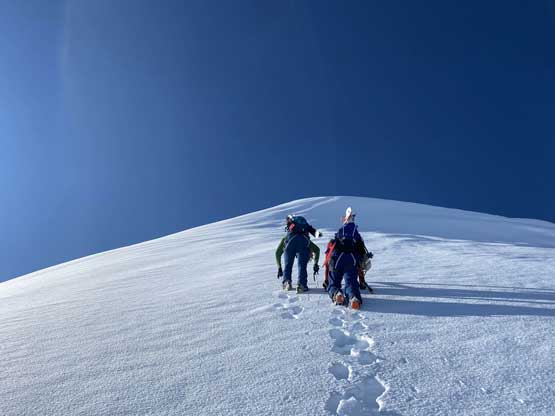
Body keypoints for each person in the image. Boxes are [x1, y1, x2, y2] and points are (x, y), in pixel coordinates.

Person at [326, 207, 370, 309]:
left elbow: (331, 248)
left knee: (333, 282)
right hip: (351, 259)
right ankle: (353, 298)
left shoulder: (340, 232)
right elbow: (361, 250)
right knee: (351, 282)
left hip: (337, 258)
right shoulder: (356, 234)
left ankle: (336, 294)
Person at [276, 215, 321, 293]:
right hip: (303, 243)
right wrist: (316, 264)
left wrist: (279, 267)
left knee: (288, 265)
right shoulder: (306, 240)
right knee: (302, 266)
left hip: (289, 243)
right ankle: (301, 285)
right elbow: (317, 250)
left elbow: (277, 253)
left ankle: (287, 282)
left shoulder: (286, 238)